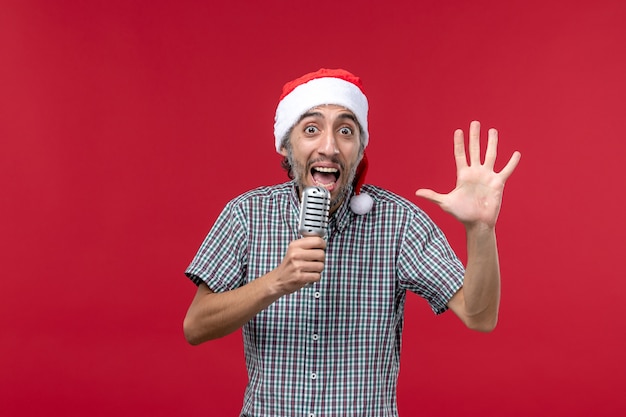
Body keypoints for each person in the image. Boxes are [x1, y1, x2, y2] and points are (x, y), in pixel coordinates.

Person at [183, 68, 521, 417]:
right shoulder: (247, 215)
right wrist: (275, 282)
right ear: (286, 144)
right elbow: (195, 326)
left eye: (345, 131)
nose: (329, 146)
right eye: (311, 129)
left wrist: (481, 230)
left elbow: (479, 316)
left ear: (360, 149)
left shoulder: (398, 222)